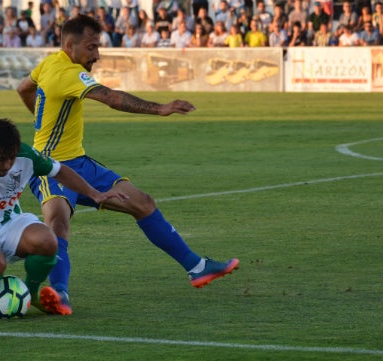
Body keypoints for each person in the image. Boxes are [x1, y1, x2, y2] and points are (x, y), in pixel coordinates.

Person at [16, 15, 239, 315]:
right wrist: (160, 108)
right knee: (57, 221)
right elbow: (111, 98)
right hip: (48, 165)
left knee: (142, 202)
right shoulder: (67, 74)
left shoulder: (49, 64)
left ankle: (197, 267)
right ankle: (59, 294)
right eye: (92, 47)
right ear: (70, 45)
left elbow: (23, 88)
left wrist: (40, 119)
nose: (97, 55)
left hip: (80, 163)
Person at [0, 118, 126, 318]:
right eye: (0, 159)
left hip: (11, 221)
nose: (7, 165)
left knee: (48, 240)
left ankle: (32, 292)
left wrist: (94, 194)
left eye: (11, 158)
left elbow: (61, 171)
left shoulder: (26, 155)